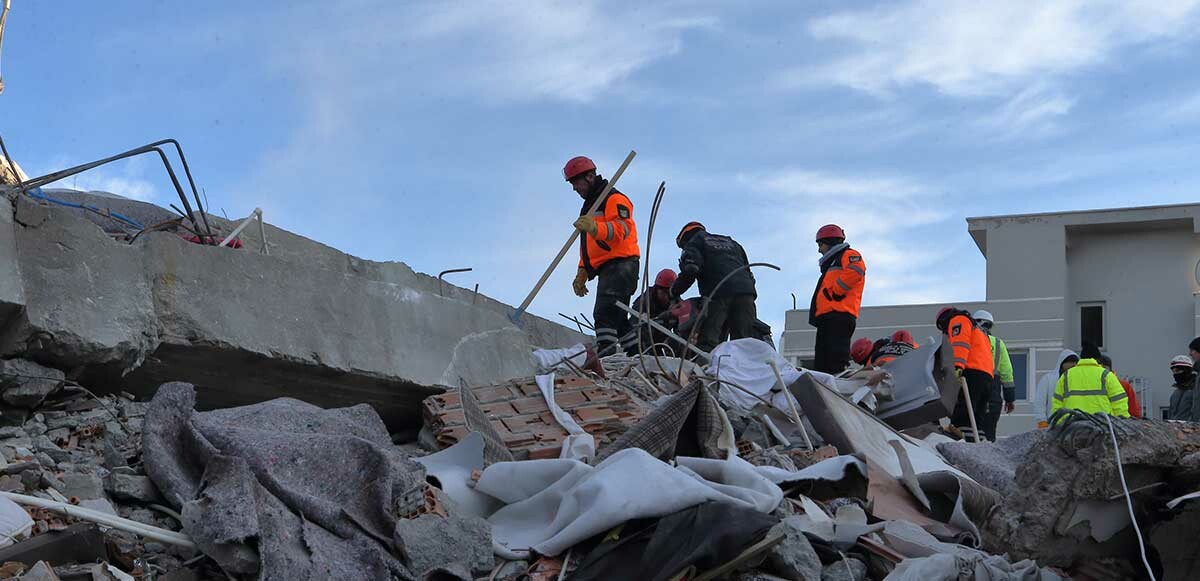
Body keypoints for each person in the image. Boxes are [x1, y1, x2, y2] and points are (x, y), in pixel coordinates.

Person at [564, 156, 640, 355]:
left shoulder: (614, 199)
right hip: (610, 268)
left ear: (589, 177)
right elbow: (590, 245)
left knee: (604, 313)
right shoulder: (591, 205)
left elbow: (622, 229)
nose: (574, 188)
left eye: (575, 182)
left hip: (622, 265)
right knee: (619, 319)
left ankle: (606, 359)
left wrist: (594, 227)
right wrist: (583, 270)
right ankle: (638, 356)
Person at [670, 222, 758, 353]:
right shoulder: (732, 243)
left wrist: (674, 291)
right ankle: (744, 371)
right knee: (744, 342)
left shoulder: (695, 242)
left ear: (684, 239)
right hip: (746, 294)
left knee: (709, 341)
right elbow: (749, 273)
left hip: (718, 293)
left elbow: (691, 270)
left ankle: (707, 371)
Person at [808, 225, 867, 374]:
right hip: (827, 317)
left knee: (835, 360)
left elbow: (856, 270)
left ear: (830, 241)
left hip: (839, 315)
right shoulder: (832, 264)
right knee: (823, 363)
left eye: (820, 244)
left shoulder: (848, 254)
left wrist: (836, 291)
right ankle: (825, 387)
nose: (819, 250)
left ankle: (837, 387)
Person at [935, 307, 994, 440]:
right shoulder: (978, 329)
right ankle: (978, 442)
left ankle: (962, 442)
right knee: (977, 416)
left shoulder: (958, 320)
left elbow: (960, 344)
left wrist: (957, 366)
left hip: (972, 372)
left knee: (963, 413)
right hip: (986, 376)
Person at [1051, 342, 1130, 421]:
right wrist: (1121, 422)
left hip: (1072, 427)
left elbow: (1057, 405)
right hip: (1103, 427)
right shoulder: (1106, 375)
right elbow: (1119, 403)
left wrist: (1061, 425)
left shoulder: (1066, 376)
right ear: (1098, 359)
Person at [973, 310, 1016, 441]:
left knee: (969, 433)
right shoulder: (998, 343)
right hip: (993, 397)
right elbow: (1007, 373)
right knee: (989, 434)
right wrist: (1010, 398)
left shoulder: (970, 341)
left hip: (972, 394)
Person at [622, 269, 677, 354]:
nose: (666, 296)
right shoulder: (644, 302)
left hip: (661, 343)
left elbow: (681, 330)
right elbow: (636, 325)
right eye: (663, 291)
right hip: (641, 341)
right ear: (657, 288)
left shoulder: (677, 305)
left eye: (669, 292)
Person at [1034, 350, 1078, 428]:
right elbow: (1040, 402)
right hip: (1053, 424)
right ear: (1062, 363)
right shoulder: (1048, 379)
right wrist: (1042, 421)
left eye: (1075, 363)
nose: (1073, 365)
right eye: (1070, 362)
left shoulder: (1078, 381)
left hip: (1074, 425)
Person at [1168, 355, 1196, 421]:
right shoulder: (1175, 393)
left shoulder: (1196, 391)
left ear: (1186, 370)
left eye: (1177, 370)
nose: (1175, 374)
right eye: (1173, 371)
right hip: (1176, 429)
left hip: (1193, 429)